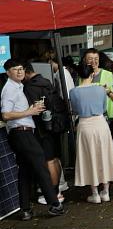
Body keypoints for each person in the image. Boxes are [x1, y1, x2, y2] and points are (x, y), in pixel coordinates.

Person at [1, 59, 66, 219]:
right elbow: (6, 115)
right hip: (21, 132)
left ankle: (25, 210)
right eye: (15, 69)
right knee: (40, 166)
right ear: (8, 72)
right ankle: (54, 204)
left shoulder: (19, 87)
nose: (19, 72)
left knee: (25, 171)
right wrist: (29, 112)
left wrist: (32, 110)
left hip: (23, 132)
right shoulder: (9, 89)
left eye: (21, 69)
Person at [70, 63, 113, 203]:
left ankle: (95, 193)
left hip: (84, 125)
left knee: (89, 157)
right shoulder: (100, 89)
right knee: (105, 156)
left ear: (79, 75)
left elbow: (74, 110)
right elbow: (104, 107)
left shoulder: (73, 92)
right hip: (100, 124)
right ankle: (106, 192)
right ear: (92, 74)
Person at [22, 63, 65, 204]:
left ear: (26, 72)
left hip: (43, 129)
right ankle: (58, 191)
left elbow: (33, 110)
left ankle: (53, 194)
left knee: (49, 160)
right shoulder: (46, 82)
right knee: (56, 158)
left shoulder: (30, 87)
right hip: (55, 125)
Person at [83, 48, 113, 118]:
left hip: (106, 115)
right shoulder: (81, 77)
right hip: (88, 115)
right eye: (90, 59)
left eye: (96, 59)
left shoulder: (108, 74)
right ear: (85, 60)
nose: (93, 61)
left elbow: (112, 95)